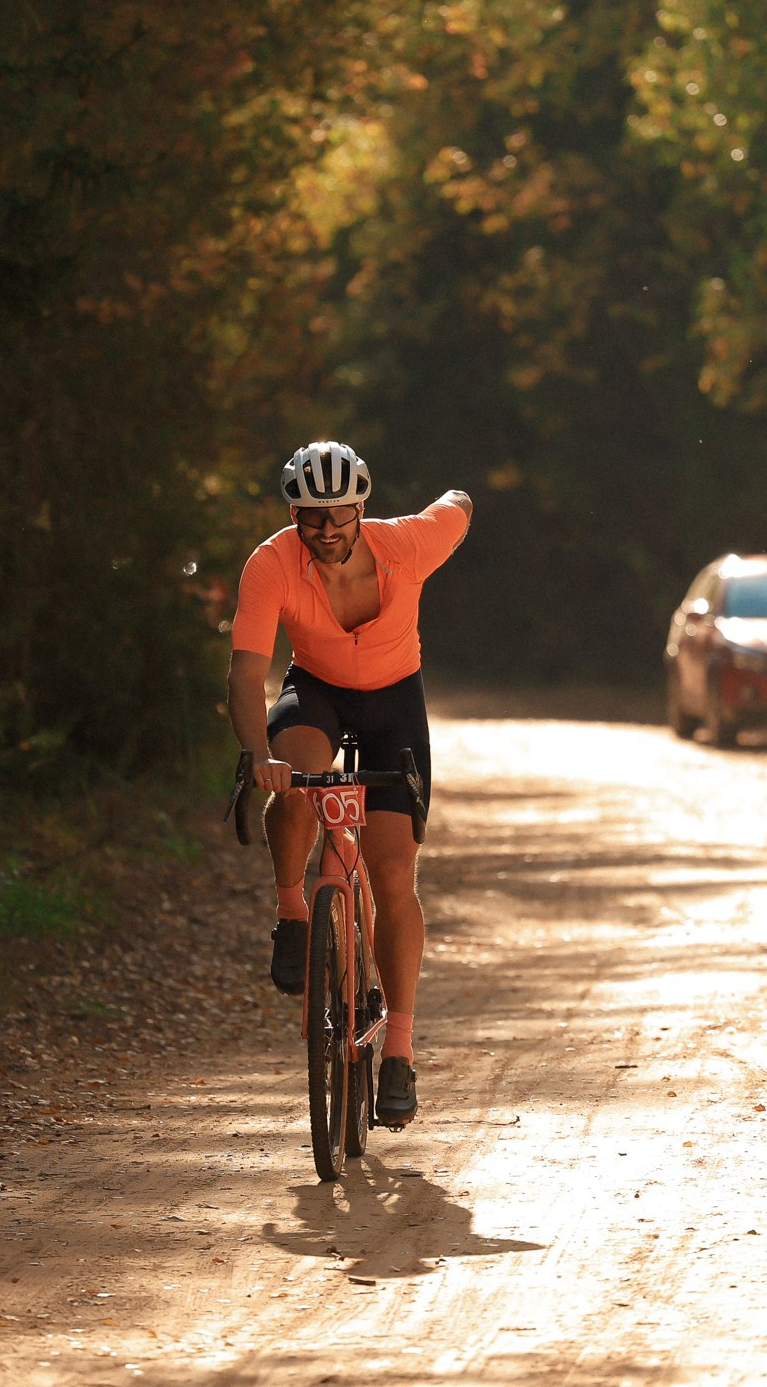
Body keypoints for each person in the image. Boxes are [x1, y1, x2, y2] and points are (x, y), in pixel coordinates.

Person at [226, 441, 472, 1126]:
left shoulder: (408, 545)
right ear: (295, 516)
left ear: (361, 507)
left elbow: (461, 507)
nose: (325, 532)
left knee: (394, 876)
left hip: (396, 701)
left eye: (338, 516)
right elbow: (247, 674)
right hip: (319, 690)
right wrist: (257, 754)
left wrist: (454, 498)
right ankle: (292, 911)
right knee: (295, 778)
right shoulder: (271, 563)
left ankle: (398, 1048)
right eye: (310, 518)